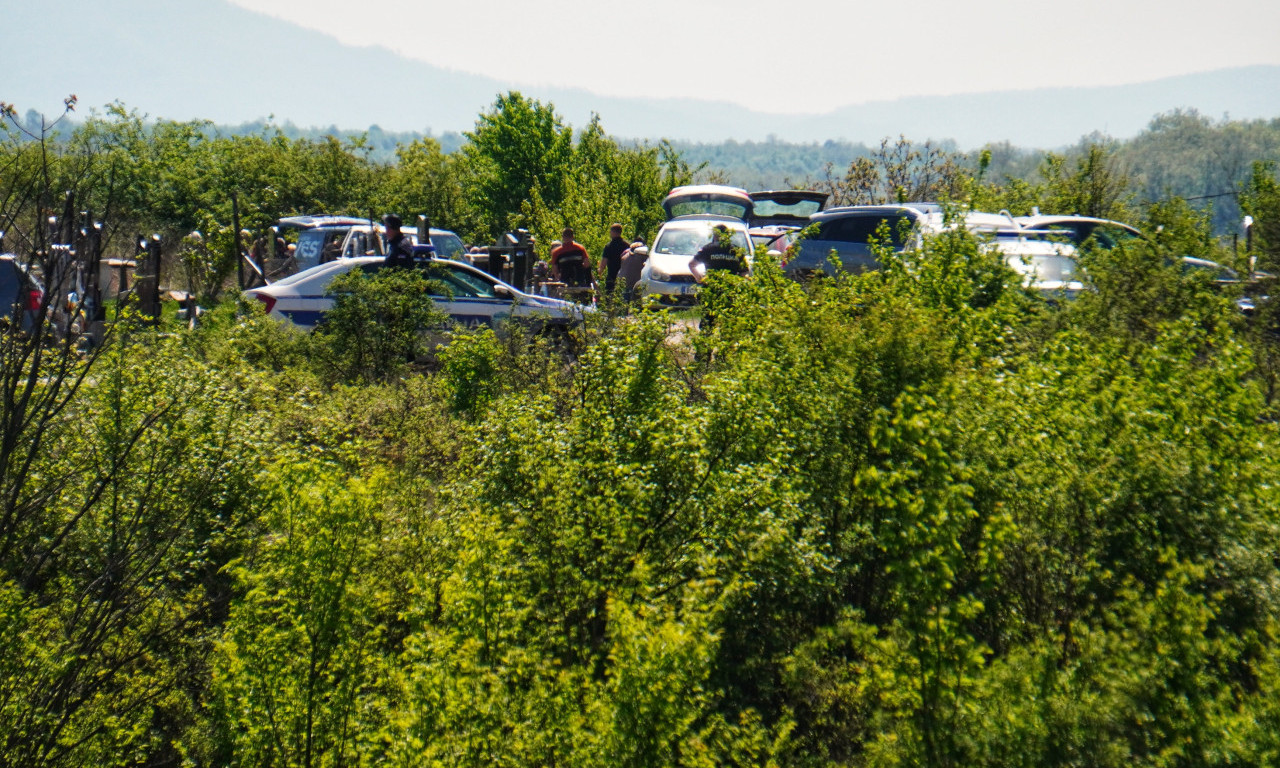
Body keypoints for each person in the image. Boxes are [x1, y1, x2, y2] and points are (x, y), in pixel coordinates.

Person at [600, 222, 629, 293]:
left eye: (610, 231)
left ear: (613, 232)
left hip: (612, 275)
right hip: (624, 275)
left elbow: (603, 263)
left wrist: (600, 271)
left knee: (609, 295)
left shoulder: (609, 246)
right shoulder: (627, 245)